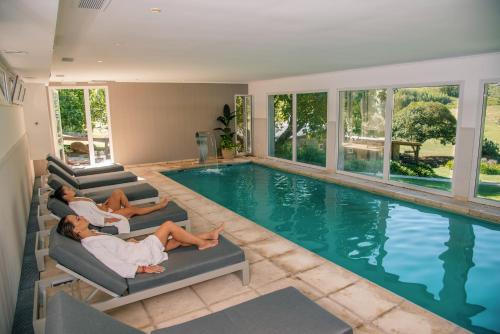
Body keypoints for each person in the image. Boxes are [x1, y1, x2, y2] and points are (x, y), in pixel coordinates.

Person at [57, 214, 224, 278]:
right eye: (77, 219)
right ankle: (203, 244)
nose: (80, 217)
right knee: (168, 225)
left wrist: (129, 243)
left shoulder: (93, 235)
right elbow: (113, 263)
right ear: (76, 230)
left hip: (136, 249)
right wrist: (143, 269)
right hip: (140, 256)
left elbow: (115, 249)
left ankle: (210, 235)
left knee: (178, 239)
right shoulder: (92, 245)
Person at [51, 185, 169, 233]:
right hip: (105, 216)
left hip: (104, 209)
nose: (71, 188)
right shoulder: (75, 207)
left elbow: (92, 207)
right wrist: (106, 221)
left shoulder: (77, 198)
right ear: (65, 196)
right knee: (133, 210)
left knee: (118, 192)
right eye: (68, 189)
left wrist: (102, 205)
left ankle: (130, 211)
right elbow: (90, 218)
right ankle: (158, 206)